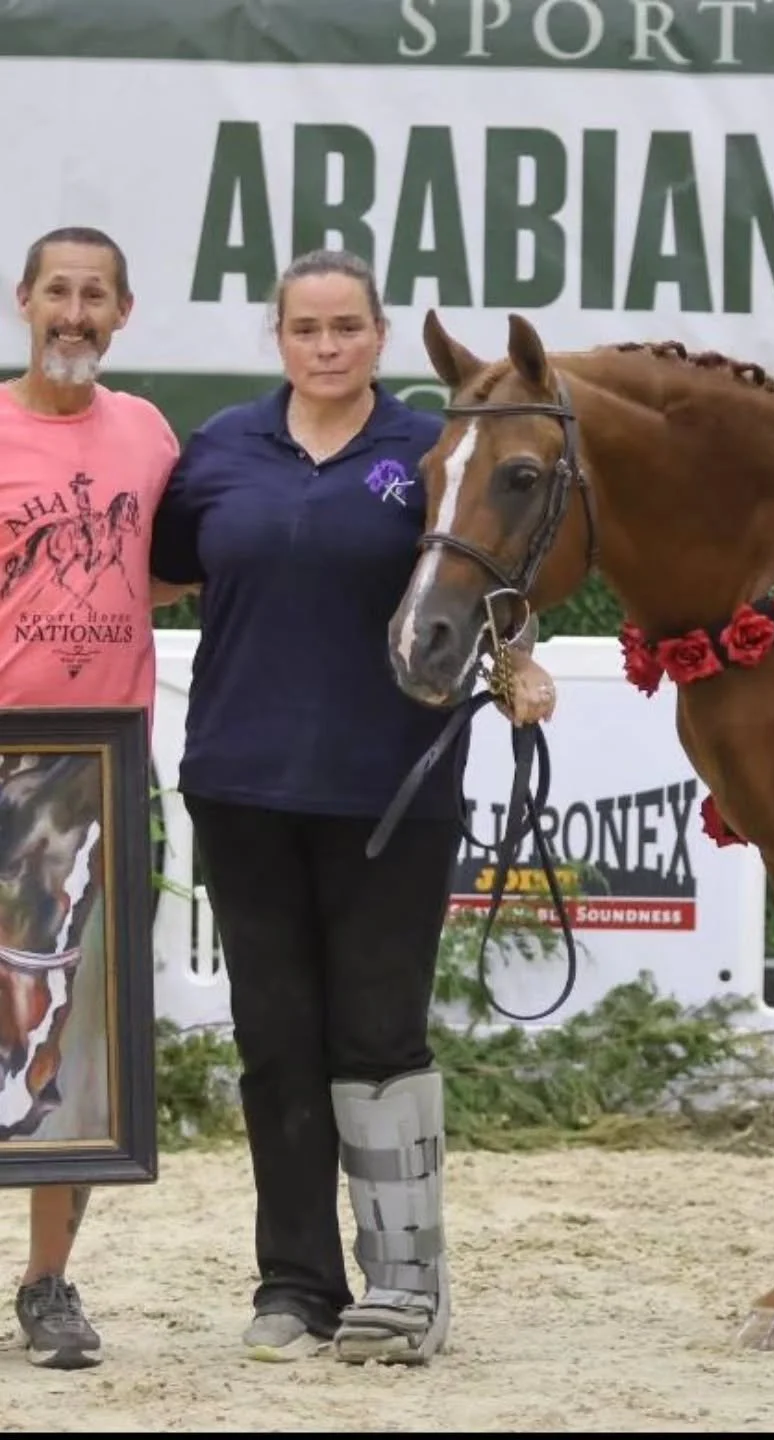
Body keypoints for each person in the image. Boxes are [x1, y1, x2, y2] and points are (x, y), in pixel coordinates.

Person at [147, 248, 559, 1366]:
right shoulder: (222, 450)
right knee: (276, 1042)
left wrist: (516, 660)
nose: (326, 348)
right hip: (240, 778)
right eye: (305, 329)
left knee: (377, 1037)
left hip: (393, 784)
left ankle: (404, 1279)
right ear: (279, 339)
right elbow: (151, 574)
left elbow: (485, 567)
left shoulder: (426, 446)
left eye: (347, 328)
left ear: (378, 337)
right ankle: (294, 1284)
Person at [2, 225, 192, 1368]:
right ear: (23, 301)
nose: (74, 312)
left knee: (74, 1035)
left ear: (123, 313)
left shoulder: (148, 434)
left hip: (97, 767)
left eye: (95, 296)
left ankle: (47, 1282)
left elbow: (167, 561)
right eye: (56, 292)